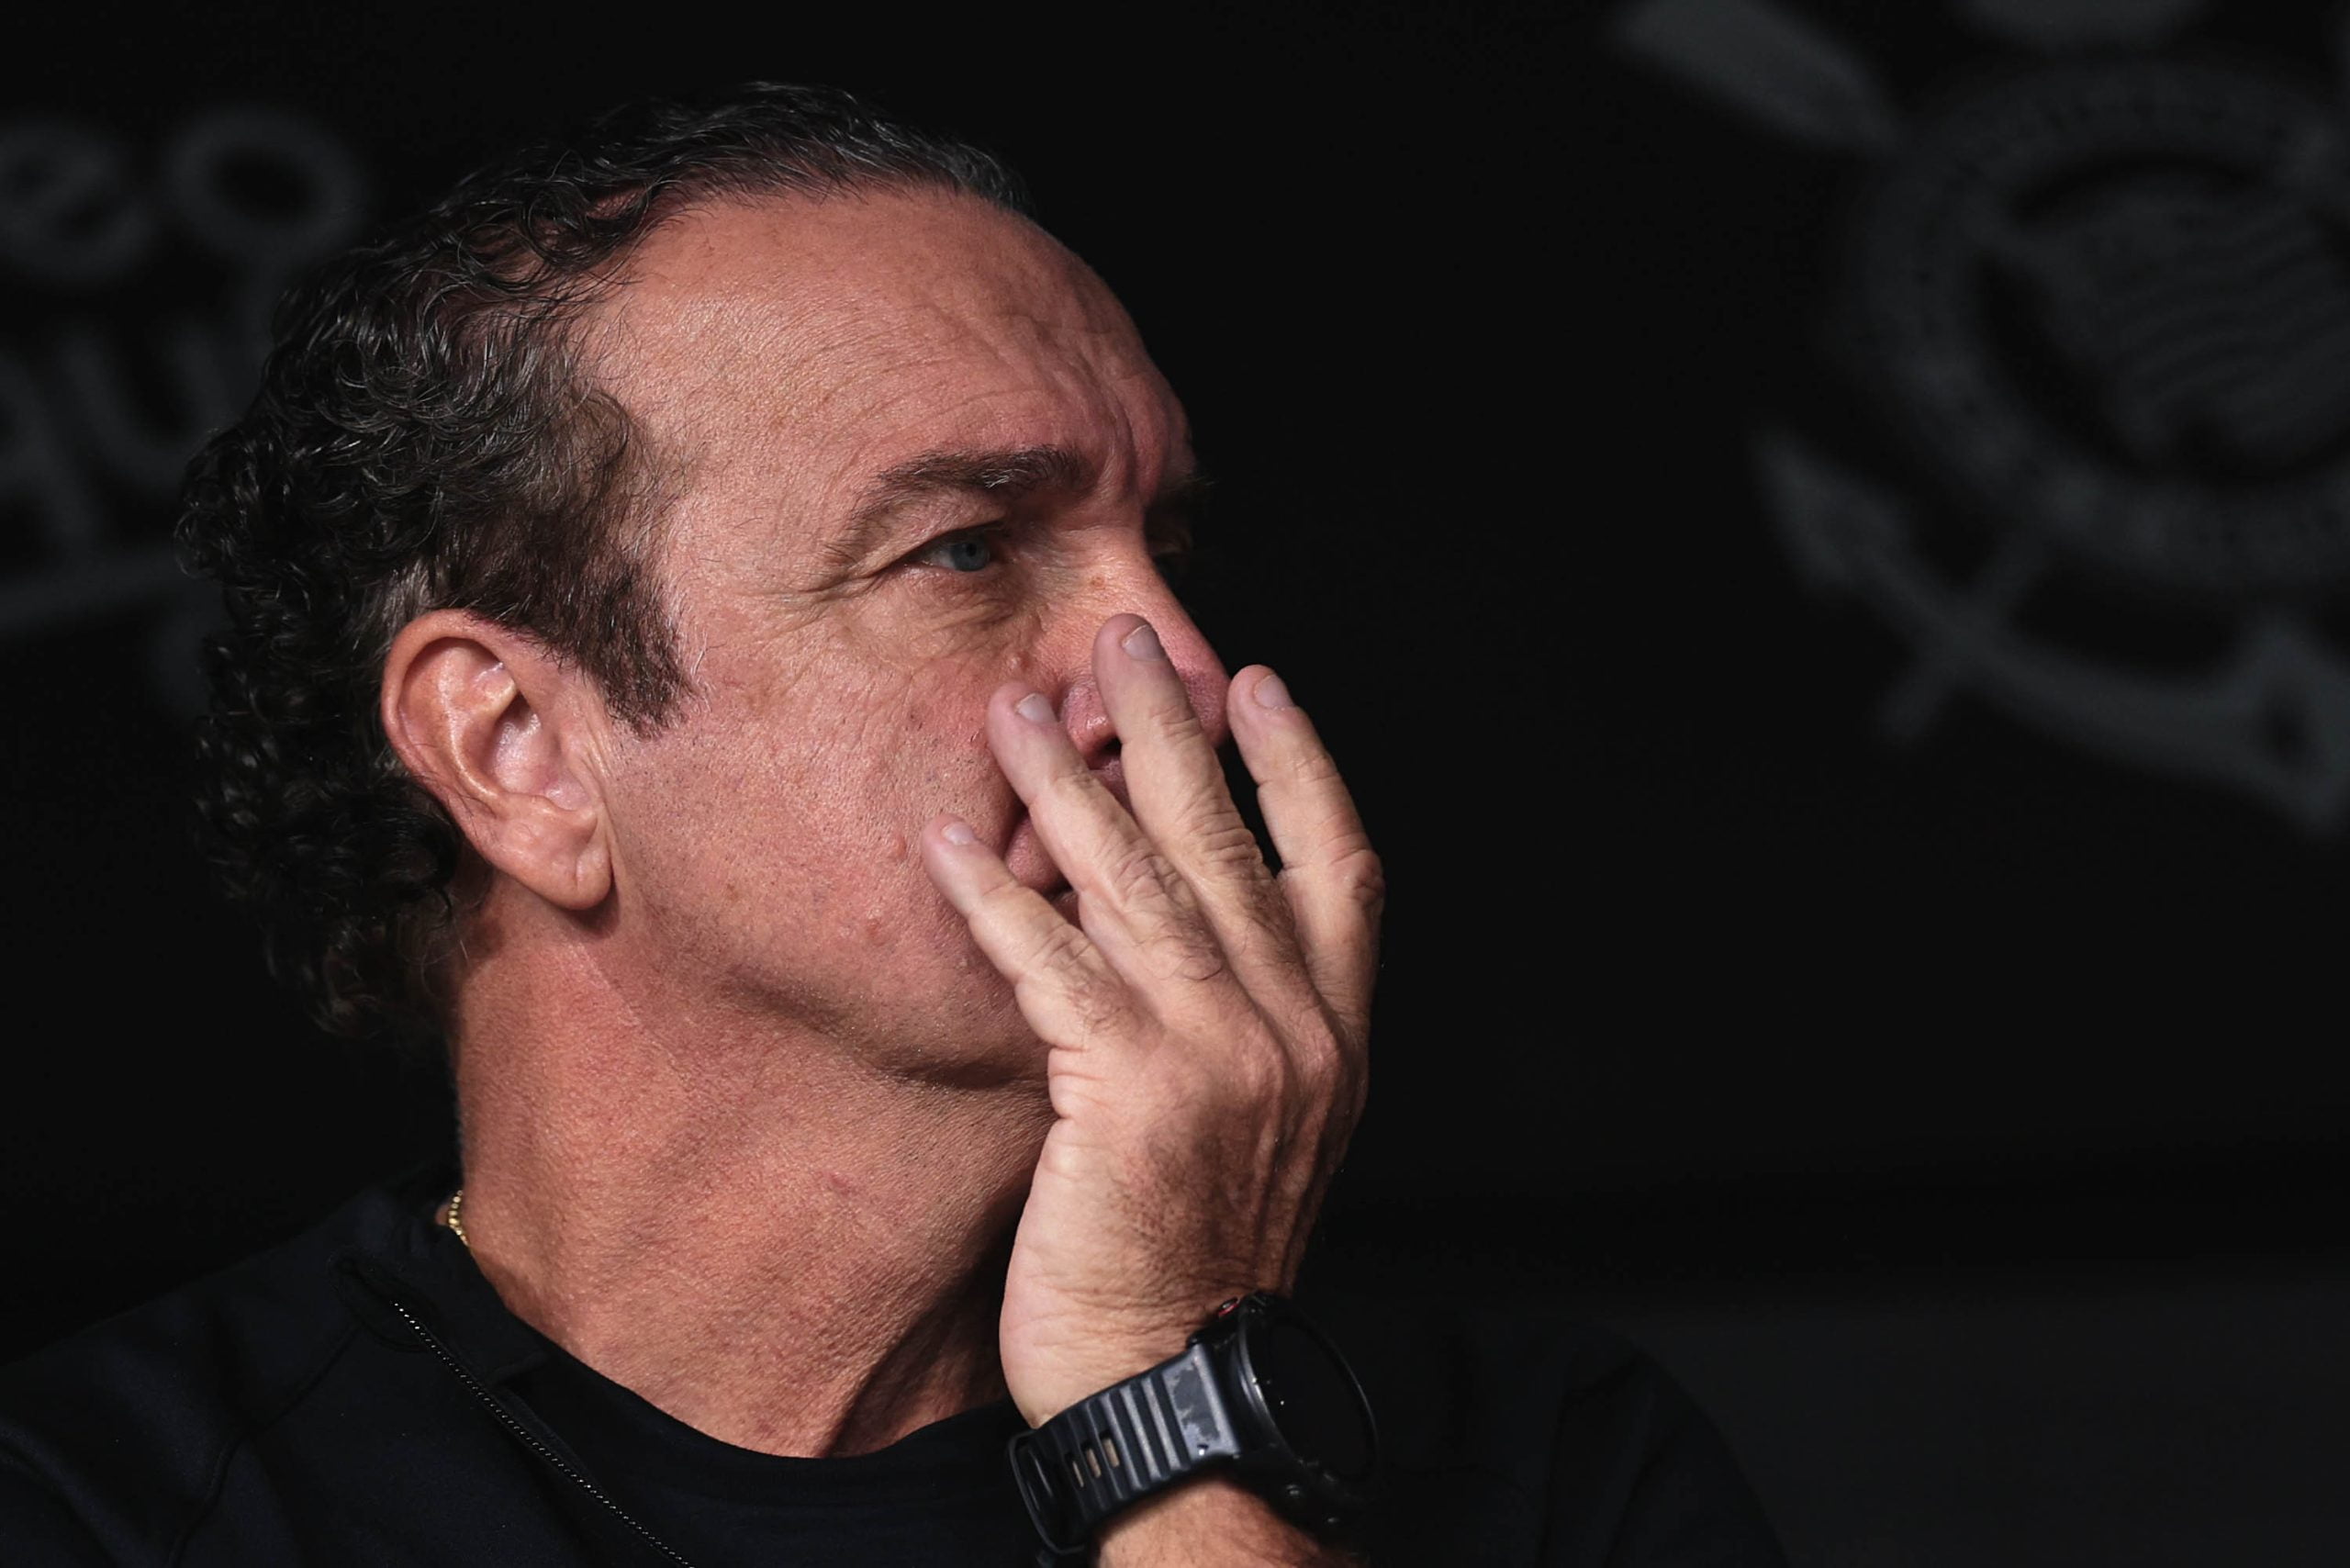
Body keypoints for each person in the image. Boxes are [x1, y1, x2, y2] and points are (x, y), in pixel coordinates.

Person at [0, 84, 1786, 1566]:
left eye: (1164, 547)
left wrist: (1170, 1396)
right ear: (520, 752)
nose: (1171, 658)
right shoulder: (111, 1507)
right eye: (966, 549)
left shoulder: (1547, 1473)